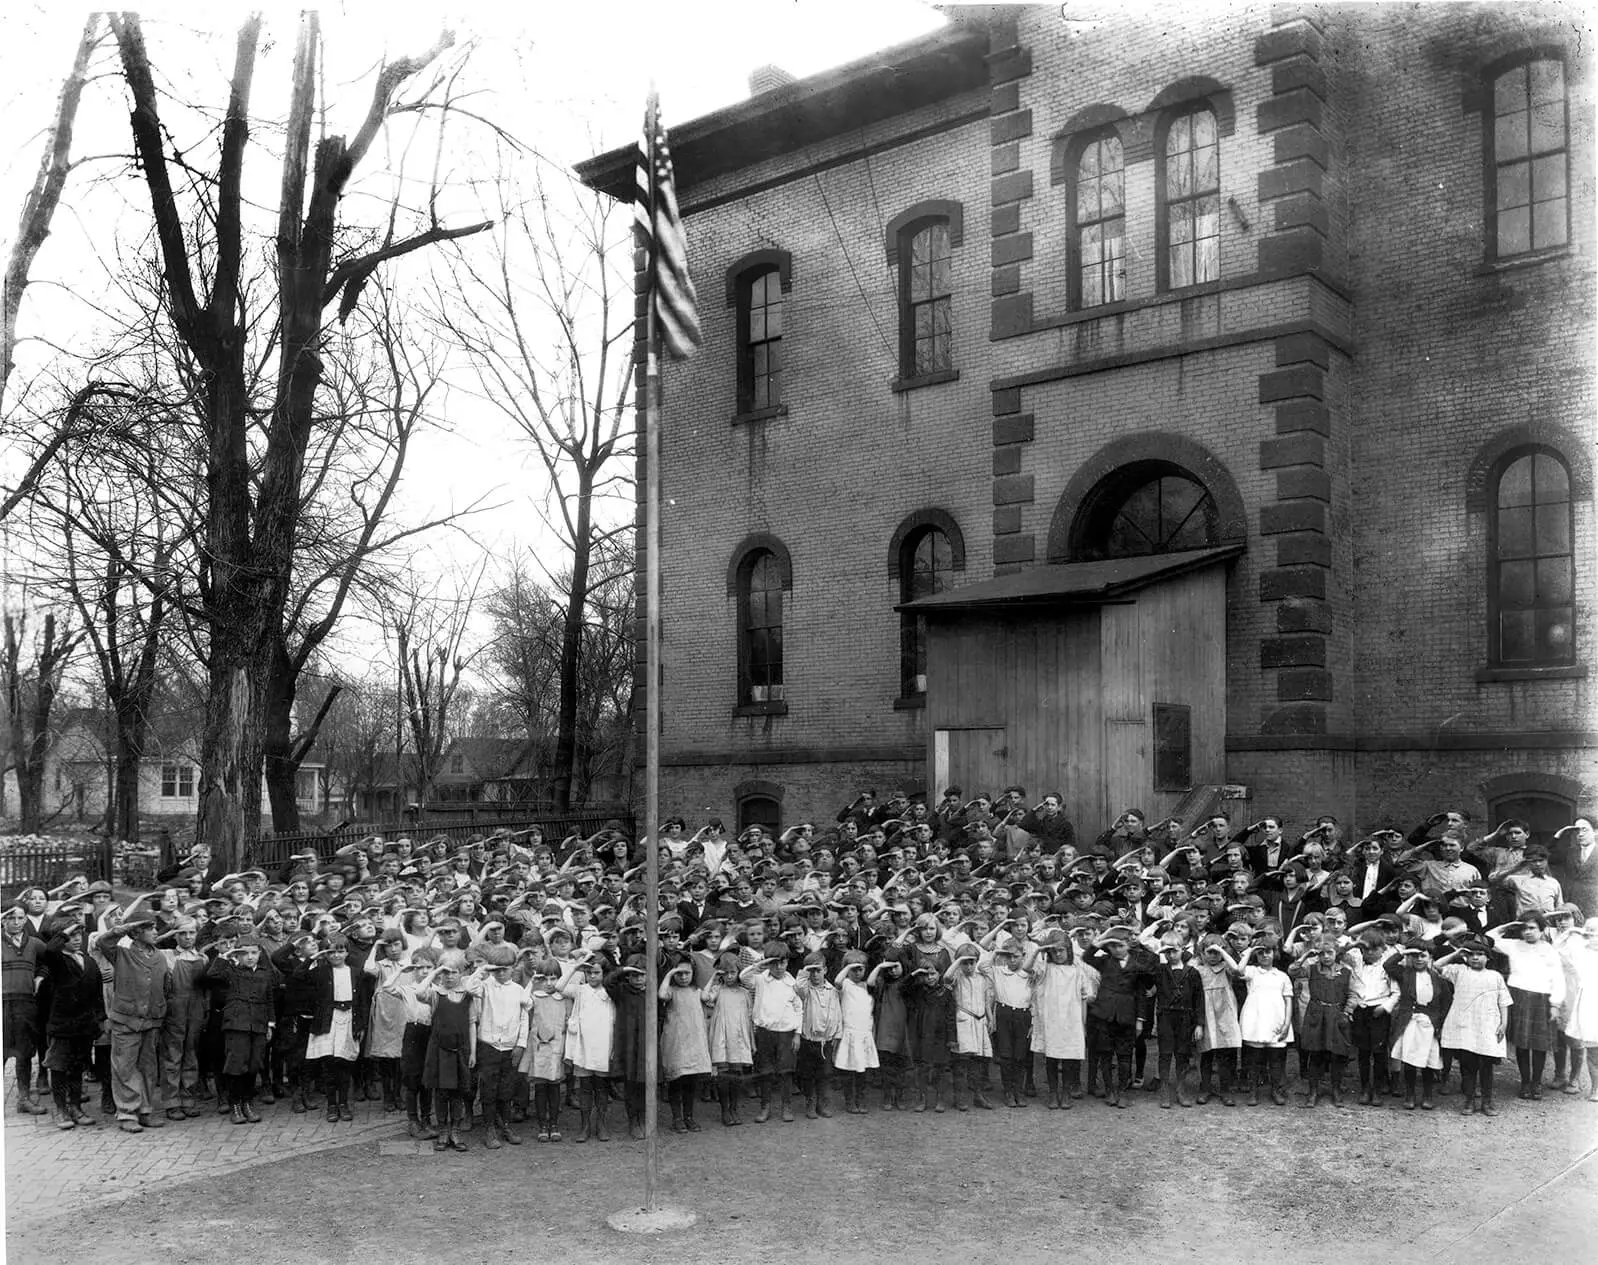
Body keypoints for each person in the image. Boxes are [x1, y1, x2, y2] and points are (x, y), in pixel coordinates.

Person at [92, 913, 170, 1133]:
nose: (156, 932)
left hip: (152, 1021)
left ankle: (145, 1110)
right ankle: (127, 1112)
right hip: (126, 1020)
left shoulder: (160, 957)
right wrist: (125, 928)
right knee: (124, 1067)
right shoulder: (121, 954)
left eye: (156, 928)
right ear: (136, 932)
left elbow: (165, 986)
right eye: (150, 928)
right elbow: (102, 941)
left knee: (148, 1068)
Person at [202, 931, 280, 1126]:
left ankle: (248, 1102)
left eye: (254, 952)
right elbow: (211, 975)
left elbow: (269, 999)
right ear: (237, 955)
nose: (251, 957)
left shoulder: (264, 973)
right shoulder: (230, 971)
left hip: (259, 1025)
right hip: (236, 1026)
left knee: (254, 1065)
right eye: (245, 953)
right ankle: (235, 1104)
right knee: (237, 1065)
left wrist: (270, 1023)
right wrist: (225, 957)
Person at [1488, 916, 1565, 1100]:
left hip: (1542, 998)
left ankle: (1536, 1082)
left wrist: (1555, 1004)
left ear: (1541, 929)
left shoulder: (1548, 950)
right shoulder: (1514, 945)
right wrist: (1506, 925)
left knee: (1539, 1045)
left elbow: (1558, 978)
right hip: (1519, 996)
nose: (1528, 932)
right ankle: (1525, 1082)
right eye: (1524, 928)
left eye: (1532, 928)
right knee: (1522, 1044)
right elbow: (1488, 939)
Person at [1435, 937, 1512, 1116]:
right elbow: (1437, 965)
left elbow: (1504, 1001)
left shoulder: (1495, 976)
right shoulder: (1459, 971)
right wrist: (1456, 952)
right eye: (1471, 955)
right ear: (1465, 958)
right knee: (1468, 1066)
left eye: (1480, 955)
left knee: (1486, 1066)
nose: (1475, 958)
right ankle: (1469, 1101)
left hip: (1487, 1025)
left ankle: (1487, 1101)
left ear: (1488, 958)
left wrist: (1504, 1023)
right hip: (1465, 1024)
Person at [466, 943, 530, 1148]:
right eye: (497, 969)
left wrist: (520, 1044)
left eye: (506, 968)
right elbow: (469, 987)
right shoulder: (485, 987)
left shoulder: (518, 990)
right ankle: (489, 1128)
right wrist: (483, 971)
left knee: (506, 1089)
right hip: (489, 1046)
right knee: (488, 1090)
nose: (501, 973)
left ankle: (505, 1125)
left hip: (510, 1047)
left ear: (513, 968)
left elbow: (523, 1019)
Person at [1029, 928, 1099, 1109]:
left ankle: (1066, 1092)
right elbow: (1026, 969)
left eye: (1061, 950)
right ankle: (1053, 1092)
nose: (1058, 954)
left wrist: (1085, 996)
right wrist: (1038, 951)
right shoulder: (1045, 968)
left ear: (1068, 950)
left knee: (1069, 1058)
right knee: (1051, 1058)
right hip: (1051, 1019)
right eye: (1054, 951)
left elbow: (1089, 994)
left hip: (1071, 1020)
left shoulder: (1077, 970)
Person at [418, 950, 477, 1152]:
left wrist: (473, 1053)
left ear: (461, 973)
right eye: (446, 972)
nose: (449, 976)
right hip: (439, 1051)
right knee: (441, 1092)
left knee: (458, 1092)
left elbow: (471, 1025)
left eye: (454, 972)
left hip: (460, 1050)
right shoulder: (436, 994)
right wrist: (434, 974)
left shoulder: (468, 996)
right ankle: (442, 1129)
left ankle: (455, 1130)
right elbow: (418, 992)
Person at [1385, 937, 1453, 1110]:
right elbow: (1388, 966)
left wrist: (1440, 1023)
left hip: (1430, 1024)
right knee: (1409, 1059)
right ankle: (1410, 1094)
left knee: (1428, 1060)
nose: (1419, 959)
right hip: (1410, 1022)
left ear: (1430, 957)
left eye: (1423, 955)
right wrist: (1404, 952)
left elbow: (1446, 1002)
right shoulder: (1405, 974)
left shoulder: (1438, 979)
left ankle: (1427, 1095)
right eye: (1415, 956)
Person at [1289, 933, 1355, 1108]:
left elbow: (1352, 994)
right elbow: (1293, 971)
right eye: (1322, 953)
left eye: (1330, 953)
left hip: (1336, 1014)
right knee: (1315, 1054)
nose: (1326, 957)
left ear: (1336, 953)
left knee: (1337, 1055)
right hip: (1316, 1014)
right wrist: (1305, 956)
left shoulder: (1346, 971)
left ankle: (1336, 1090)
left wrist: (1347, 1012)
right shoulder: (1311, 968)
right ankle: (1313, 1092)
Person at [559, 949, 616, 1143]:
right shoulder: (580, 990)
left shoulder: (610, 992)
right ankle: (584, 1126)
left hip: (603, 1044)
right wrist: (575, 967)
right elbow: (559, 987)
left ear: (604, 973)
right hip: (583, 1045)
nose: (592, 976)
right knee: (585, 1087)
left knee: (601, 1088)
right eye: (589, 972)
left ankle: (601, 1124)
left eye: (597, 972)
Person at [659, 954, 713, 1132]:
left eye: (686, 973)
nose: (683, 977)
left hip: (694, 1041)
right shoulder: (671, 992)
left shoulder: (697, 992)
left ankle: (689, 1116)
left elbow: (708, 996)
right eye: (679, 973)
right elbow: (661, 994)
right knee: (676, 1081)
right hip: (676, 1041)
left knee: (691, 1081)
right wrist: (669, 974)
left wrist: (714, 976)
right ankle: (677, 1118)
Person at [1239, 941, 1294, 1106]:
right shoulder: (1252, 971)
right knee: (1254, 1059)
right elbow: (1238, 970)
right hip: (1255, 1019)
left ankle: (1276, 1090)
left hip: (1276, 1019)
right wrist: (1249, 951)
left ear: (1274, 953)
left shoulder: (1282, 976)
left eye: (1268, 952)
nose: (1264, 955)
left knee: (1276, 1058)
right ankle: (1253, 1091)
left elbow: (1288, 1001)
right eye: (1260, 952)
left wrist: (1286, 1023)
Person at [521, 957, 569, 1141]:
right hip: (539, 1048)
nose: (549, 983)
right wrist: (532, 985)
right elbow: (523, 1002)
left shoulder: (563, 999)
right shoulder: (535, 997)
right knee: (541, 1088)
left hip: (557, 1048)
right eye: (545, 979)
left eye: (553, 978)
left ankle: (554, 1124)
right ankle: (542, 1125)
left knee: (555, 1087)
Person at [2, 904, 43, 1115]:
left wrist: (40, 976)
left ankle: (24, 1098)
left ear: (26, 919)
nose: (16, 923)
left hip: (25, 1006)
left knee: (24, 1053)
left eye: (20, 918)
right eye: (10, 918)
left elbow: (48, 961)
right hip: (3, 1006)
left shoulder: (35, 944)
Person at [832, 950, 882, 1114]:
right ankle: (849, 1100)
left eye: (860, 969)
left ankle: (860, 1099)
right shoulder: (845, 985)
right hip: (850, 1032)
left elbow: (870, 1012)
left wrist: (880, 965)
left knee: (863, 1070)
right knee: (849, 1069)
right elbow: (837, 981)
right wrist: (848, 967)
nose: (857, 972)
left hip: (865, 1033)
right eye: (854, 969)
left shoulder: (867, 987)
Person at [794, 950, 843, 1118]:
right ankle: (810, 1102)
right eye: (811, 971)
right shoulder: (805, 990)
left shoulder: (833, 991)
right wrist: (805, 970)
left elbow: (837, 1013)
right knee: (808, 1074)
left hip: (826, 1040)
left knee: (825, 1074)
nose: (815, 974)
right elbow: (798, 985)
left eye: (818, 970)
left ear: (826, 970)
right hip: (809, 1040)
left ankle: (822, 1103)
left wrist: (837, 1034)